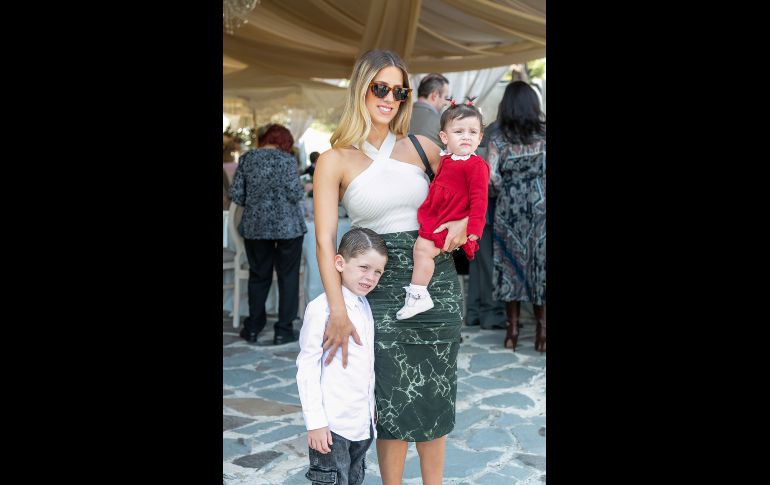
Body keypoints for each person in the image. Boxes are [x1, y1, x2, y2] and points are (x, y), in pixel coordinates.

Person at [314, 49, 469, 485]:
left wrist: (462, 225)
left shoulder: (423, 147)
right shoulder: (334, 159)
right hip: (376, 291)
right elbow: (325, 243)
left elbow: (468, 190)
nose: (390, 98)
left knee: (436, 397)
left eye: (399, 91)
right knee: (391, 399)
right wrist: (338, 311)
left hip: (434, 287)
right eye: (380, 88)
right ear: (361, 88)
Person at [296, 227, 388, 485]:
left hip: (361, 424)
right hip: (331, 428)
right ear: (339, 262)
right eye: (364, 267)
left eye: (378, 271)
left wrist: (371, 411)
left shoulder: (364, 305)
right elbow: (307, 366)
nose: (371, 277)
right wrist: (315, 422)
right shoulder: (321, 309)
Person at [396, 99, 490, 320]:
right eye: (459, 131)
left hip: (452, 217)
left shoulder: (476, 165)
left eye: (472, 132)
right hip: (440, 213)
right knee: (421, 250)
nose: (466, 136)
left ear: (480, 138)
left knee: (422, 250)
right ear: (444, 138)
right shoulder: (448, 159)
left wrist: (473, 227)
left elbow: (480, 199)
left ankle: (419, 294)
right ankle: (419, 292)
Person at [228, 123, 307, 345]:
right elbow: (295, 194)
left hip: (256, 228)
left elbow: (236, 195)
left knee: (259, 276)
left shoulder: (247, 158)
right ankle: (283, 330)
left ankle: (253, 328)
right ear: (283, 141)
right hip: (288, 228)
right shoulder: (288, 160)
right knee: (288, 277)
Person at [488, 81, 546, 352]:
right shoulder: (545, 135)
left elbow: (492, 179)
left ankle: (511, 331)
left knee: (510, 266)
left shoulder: (498, 139)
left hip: (509, 209)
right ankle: (542, 333)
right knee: (540, 267)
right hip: (540, 208)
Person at [465, 121, 507, 329]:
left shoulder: (490, 129)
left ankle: (474, 313)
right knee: (490, 262)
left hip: (475, 208)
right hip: (489, 207)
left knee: (478, 262)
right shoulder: (502, 133)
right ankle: (492, 315)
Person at [408, 73, 450, 148]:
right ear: (434, 95)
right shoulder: (442, 122)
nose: (446, 103)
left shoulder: (400, 117)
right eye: (445, 97)